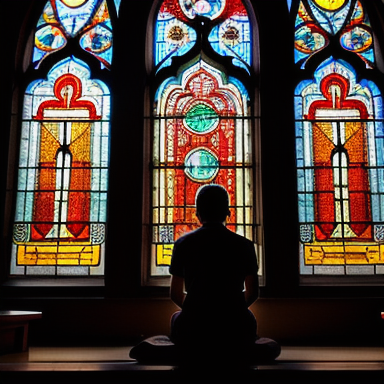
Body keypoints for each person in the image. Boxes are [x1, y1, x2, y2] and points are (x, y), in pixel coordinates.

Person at [169, 184, 259, 366]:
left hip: (194, 326)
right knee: (248, 320)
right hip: (235, 326)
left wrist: (198, 309)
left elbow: (175, 294)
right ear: (227, 212)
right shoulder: (244, 245)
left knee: (176, 319)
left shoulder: (183, 244)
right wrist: (231, 308)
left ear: (197, 213)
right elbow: (252, 293)